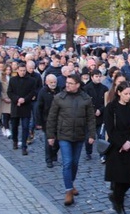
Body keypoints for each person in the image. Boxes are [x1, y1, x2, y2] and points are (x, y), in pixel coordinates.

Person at [46, 73, 96, 206]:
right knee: (67, 162)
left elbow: (91, 118)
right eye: (66, 83)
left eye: (70, 83)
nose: (67, 85)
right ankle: (68, 190)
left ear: (78, 85)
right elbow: (52, 117)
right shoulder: (59, 98)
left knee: (74, 163)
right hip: (64, 135)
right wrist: (50, 135)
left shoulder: (85, 98)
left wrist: (92, 134)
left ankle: (71, 183)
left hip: (79, 135)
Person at [104, 81, 130, 214]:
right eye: (126, 94)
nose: (128, 96)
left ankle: (116, 197)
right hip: (116, 148)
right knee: (120, 179)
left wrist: (129, 142)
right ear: (119, 93)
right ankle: (120, 206)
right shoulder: (111, 108)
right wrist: (121, 143)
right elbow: (110, 129)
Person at [7, 62, 38, 155]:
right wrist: (18, 99)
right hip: (16, 106)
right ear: (17, 70)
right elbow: (9, 92)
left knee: (25, 127)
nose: (22, 72)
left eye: (24, 71)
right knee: (14, 126)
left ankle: (24, 146)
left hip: (26, 106)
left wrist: (24, 99)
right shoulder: (12, 80)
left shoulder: (31, 80)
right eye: (21, 71)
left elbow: (33, 92)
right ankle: (15, 141)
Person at [83, 70, 108, 160]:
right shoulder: (86, 88)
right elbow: (85, 102)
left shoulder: (104, 88)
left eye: (99, 76)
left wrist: (100, 110)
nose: (98, 78)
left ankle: (103, 154)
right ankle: (88, 152)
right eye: (96, 76)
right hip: (90, 116)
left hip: (101, 116)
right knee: (89, 137)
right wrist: (93, 110)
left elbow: (106, 102)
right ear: (92, 77)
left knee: (101, 136)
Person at [36, 74, 60, 168]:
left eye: (55, 82)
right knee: (49, 140)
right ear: (46, 82)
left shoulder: (59, 90)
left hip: (59, 119)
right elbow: (39, 108)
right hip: (47, 120)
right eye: (51, 82)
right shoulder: (43, 92)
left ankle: (54, 154)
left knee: (58, 141)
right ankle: (48, 159)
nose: (53, 84)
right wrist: (39, 122)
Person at [0, 65, 12, 138]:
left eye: (9, 70)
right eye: (7, 70)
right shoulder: (0, 78)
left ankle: (4, 127)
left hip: (11, 98)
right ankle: (7, 129)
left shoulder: (12, 78)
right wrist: (4, 98)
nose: (8, 71)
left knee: (10, 115)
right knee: (5, 115)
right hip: (4, 99)